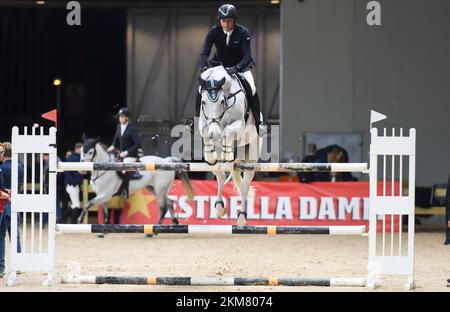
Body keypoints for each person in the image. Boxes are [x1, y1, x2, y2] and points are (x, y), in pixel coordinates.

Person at [185, 3, 268, 136]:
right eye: (223, 21)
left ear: (234, 20)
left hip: (240, 66)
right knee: (201, 88)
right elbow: (204, 52)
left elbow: (247, 56)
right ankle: (195, 120)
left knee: (252, 88)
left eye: (228, 21)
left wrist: (236, 68)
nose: (225, 24)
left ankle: (258, 123)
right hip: (219, 66)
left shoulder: (243, 32)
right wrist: (204, 66)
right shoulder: (214, 32)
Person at [107, 107, 143, 198]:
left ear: (127, 118)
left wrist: (127, 152)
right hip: (122, 155)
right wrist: (108, 149)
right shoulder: (119, 127)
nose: (120, 118)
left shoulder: (132, 128)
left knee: (124, 169)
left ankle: (124, 191)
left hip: (131, 155)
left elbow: (138, 144)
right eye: (119, 117)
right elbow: (115, 143)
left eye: (122, 116)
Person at [0, 142, 22, 277]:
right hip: (15, 202)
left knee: (1, 236)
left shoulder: (2, 167)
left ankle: (1, 267)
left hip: (3, 201)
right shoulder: (20, 167)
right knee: (15, 235)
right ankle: (19, 264)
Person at [64, 143, 84, 223]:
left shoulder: (74, 157)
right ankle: (72, 222)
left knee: (74, 204)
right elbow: (68, 172)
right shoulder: (74, 157)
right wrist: (73, 182)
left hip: (74, 184)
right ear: (78, 149)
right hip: (72, 184)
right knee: (76, 204)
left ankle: (63, 218)